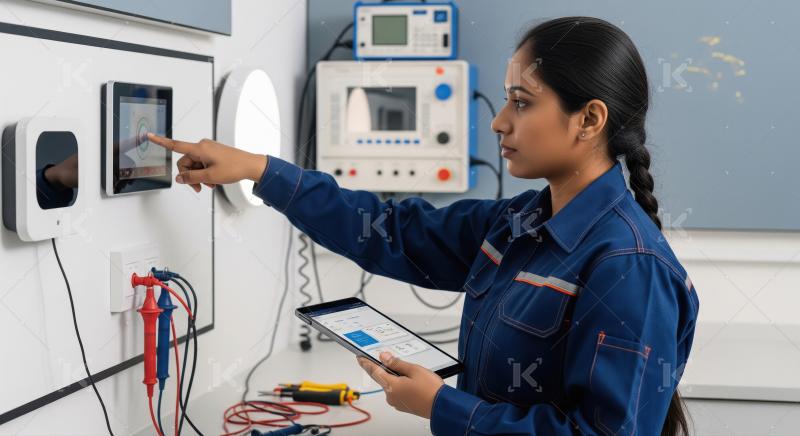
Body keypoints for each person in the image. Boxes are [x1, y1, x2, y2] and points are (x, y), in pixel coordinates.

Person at [148, 16, 699, 436]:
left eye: (521, 103)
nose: (499, 122)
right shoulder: (518, 223)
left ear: (589, 119)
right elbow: (388, 230)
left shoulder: (630, 268)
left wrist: (442, 406)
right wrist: (261, 170)